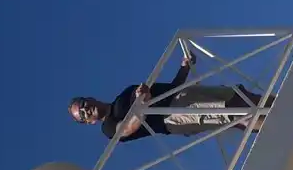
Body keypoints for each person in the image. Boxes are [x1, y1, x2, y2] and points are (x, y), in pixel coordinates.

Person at [68, 50, 274, 142]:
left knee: (240, 98)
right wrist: (143, 104)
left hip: (182, 96)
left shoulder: (122, 95)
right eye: (83, 114)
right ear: (89, 122)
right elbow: (127, 129)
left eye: (83, 104)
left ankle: (288, 103)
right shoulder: (108, 127)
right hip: (173, 115)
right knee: (236, 115)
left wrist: (184, 68)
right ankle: (282, 123)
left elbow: (172, 87)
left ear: (90, 98)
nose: (86, 109)